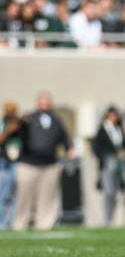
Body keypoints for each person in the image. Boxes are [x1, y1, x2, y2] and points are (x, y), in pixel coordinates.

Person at [12, 92, 76, 230]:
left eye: (47, 101)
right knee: (24, 196)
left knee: (47, 197)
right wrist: (19, 122)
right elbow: (17, 131)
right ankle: (20, 223)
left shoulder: (56, 120)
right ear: (38, 103)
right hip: (28, 164)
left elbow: (64, 138)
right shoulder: (28, 118)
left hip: (49, 165)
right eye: (42, 101)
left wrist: (69, 149)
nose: (45, 103)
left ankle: (44, 224)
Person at [92, 106, 125, 226]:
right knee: (108, 191)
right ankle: (107, 219)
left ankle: (112, 218)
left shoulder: (118, 129)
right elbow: (96, 147)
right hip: (108, 162)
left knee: (116, 191)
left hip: (118, 162)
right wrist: (104, 157)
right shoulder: (103, 129)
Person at [0, 101, 22, 229]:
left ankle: (12, 222)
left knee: (16, 195)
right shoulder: (3, 123)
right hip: (5, 162)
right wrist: (9, 131)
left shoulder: (20, 123)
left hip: (19, 162)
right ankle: (2, 222)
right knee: (4, 193)